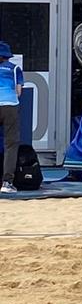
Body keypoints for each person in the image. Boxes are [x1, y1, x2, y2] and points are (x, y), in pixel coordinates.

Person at [0, 41, 23, 194]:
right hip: (10, 106)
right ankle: (7, 182)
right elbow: (19, 91)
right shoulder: (15, 69)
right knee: (11, 144)